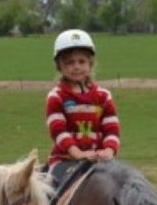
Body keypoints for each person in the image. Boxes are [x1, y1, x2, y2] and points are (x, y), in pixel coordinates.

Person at [44, 28, 120, 188]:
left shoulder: (103, 96)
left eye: (81, 61)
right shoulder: (56, 97)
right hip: (65, 159)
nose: (76, 67)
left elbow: (112, 130)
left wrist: (109, 151)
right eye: (69, 62)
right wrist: (78, 154)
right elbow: (59, 132)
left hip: (99, 159)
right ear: (60, 67)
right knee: (52, 192)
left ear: (90, 63)